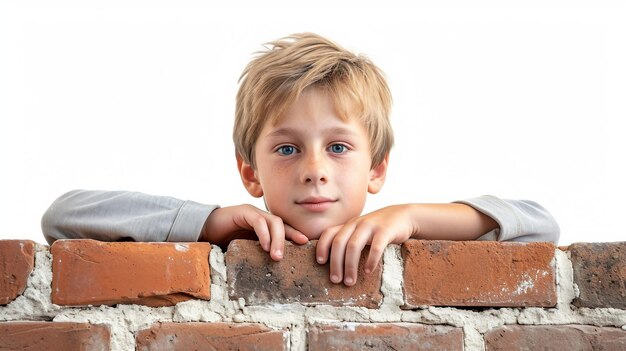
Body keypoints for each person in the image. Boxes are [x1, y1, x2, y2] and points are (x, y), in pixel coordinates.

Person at [42, 33, 559, 287]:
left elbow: (540, 226)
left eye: (338, 147)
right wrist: (213, 223)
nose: (315, 168)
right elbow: (64, 216)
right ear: (250, 171)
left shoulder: (399, 236)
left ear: (376, 167)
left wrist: (412, 217)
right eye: (287, 149)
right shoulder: (222, 238)